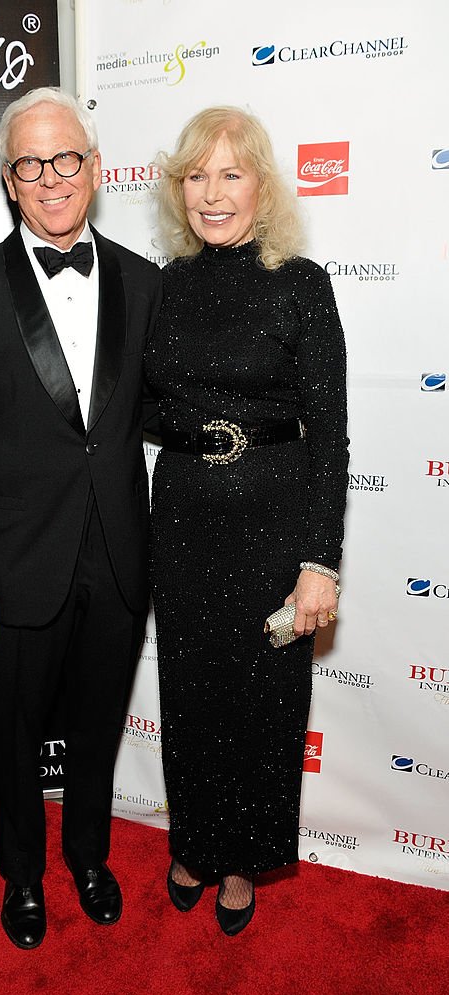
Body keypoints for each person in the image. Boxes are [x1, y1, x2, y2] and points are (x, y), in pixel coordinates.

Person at [0, 87, 162, 950]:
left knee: (99, 725)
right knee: (13, 732)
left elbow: (160, 415)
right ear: (10, 180)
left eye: (67, 159)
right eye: (31, 163)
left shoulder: (144, 280)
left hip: (118, 553)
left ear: (95, 169)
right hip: (15, 561)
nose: (52, 177)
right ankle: (22, 875)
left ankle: (89, 857)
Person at [144, 106, 348, 936]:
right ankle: (192, 842)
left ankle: (240, 863)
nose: (213, 192)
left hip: (273, 520)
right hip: (185, 518)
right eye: (197, 175)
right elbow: (147, 407)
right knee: (189, 695)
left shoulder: (300, 282)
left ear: (260, 186)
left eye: (231, 173)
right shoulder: (165, 285)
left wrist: (319, 561)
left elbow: (329, 431)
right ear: (178, 189)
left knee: (262, 703)